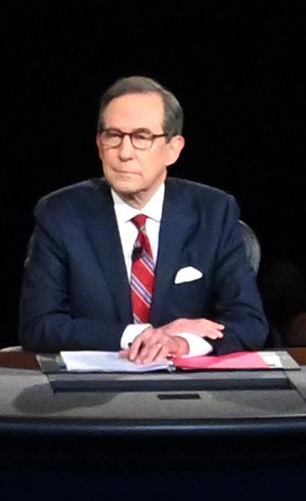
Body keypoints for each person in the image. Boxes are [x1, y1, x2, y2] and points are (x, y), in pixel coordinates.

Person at [18, 75, 269, 355]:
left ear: (173, 149)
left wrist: (182, 343)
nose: (124, 153)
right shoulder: (60, 214)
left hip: (187, 389)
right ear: (100, 145)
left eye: (141, 138)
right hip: (93, 385)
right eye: (114, 136)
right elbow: (38, 327)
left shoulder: (213, 212)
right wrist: (142, 335)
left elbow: (249, 323)